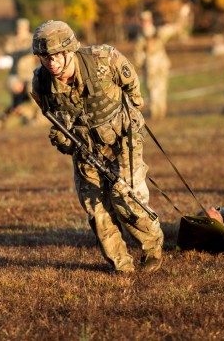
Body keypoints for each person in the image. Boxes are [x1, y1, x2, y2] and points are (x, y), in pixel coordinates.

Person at [30, 20, 164, 273]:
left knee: (126, 197)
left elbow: (133, 92)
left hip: (122, 140)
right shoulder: (42, 83)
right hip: (86, 152)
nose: (51, 62)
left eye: (57, 54)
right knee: (97, 209)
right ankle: (121, 264)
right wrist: (63, 139)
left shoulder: (105, 59)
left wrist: (131, 121)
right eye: (44, 57)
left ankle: (152, 246)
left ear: (70, 50)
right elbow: (56, 120)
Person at [133, 8, 189, 120]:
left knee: (156, 89)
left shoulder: (146, 34)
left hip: (153, 66)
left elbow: (138, 54)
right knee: (158, 89)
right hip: (160, 64)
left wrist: (183, 14)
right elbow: (176, 28)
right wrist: (183, 14)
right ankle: (159, 113)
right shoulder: (159, 31)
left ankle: (157, 113)